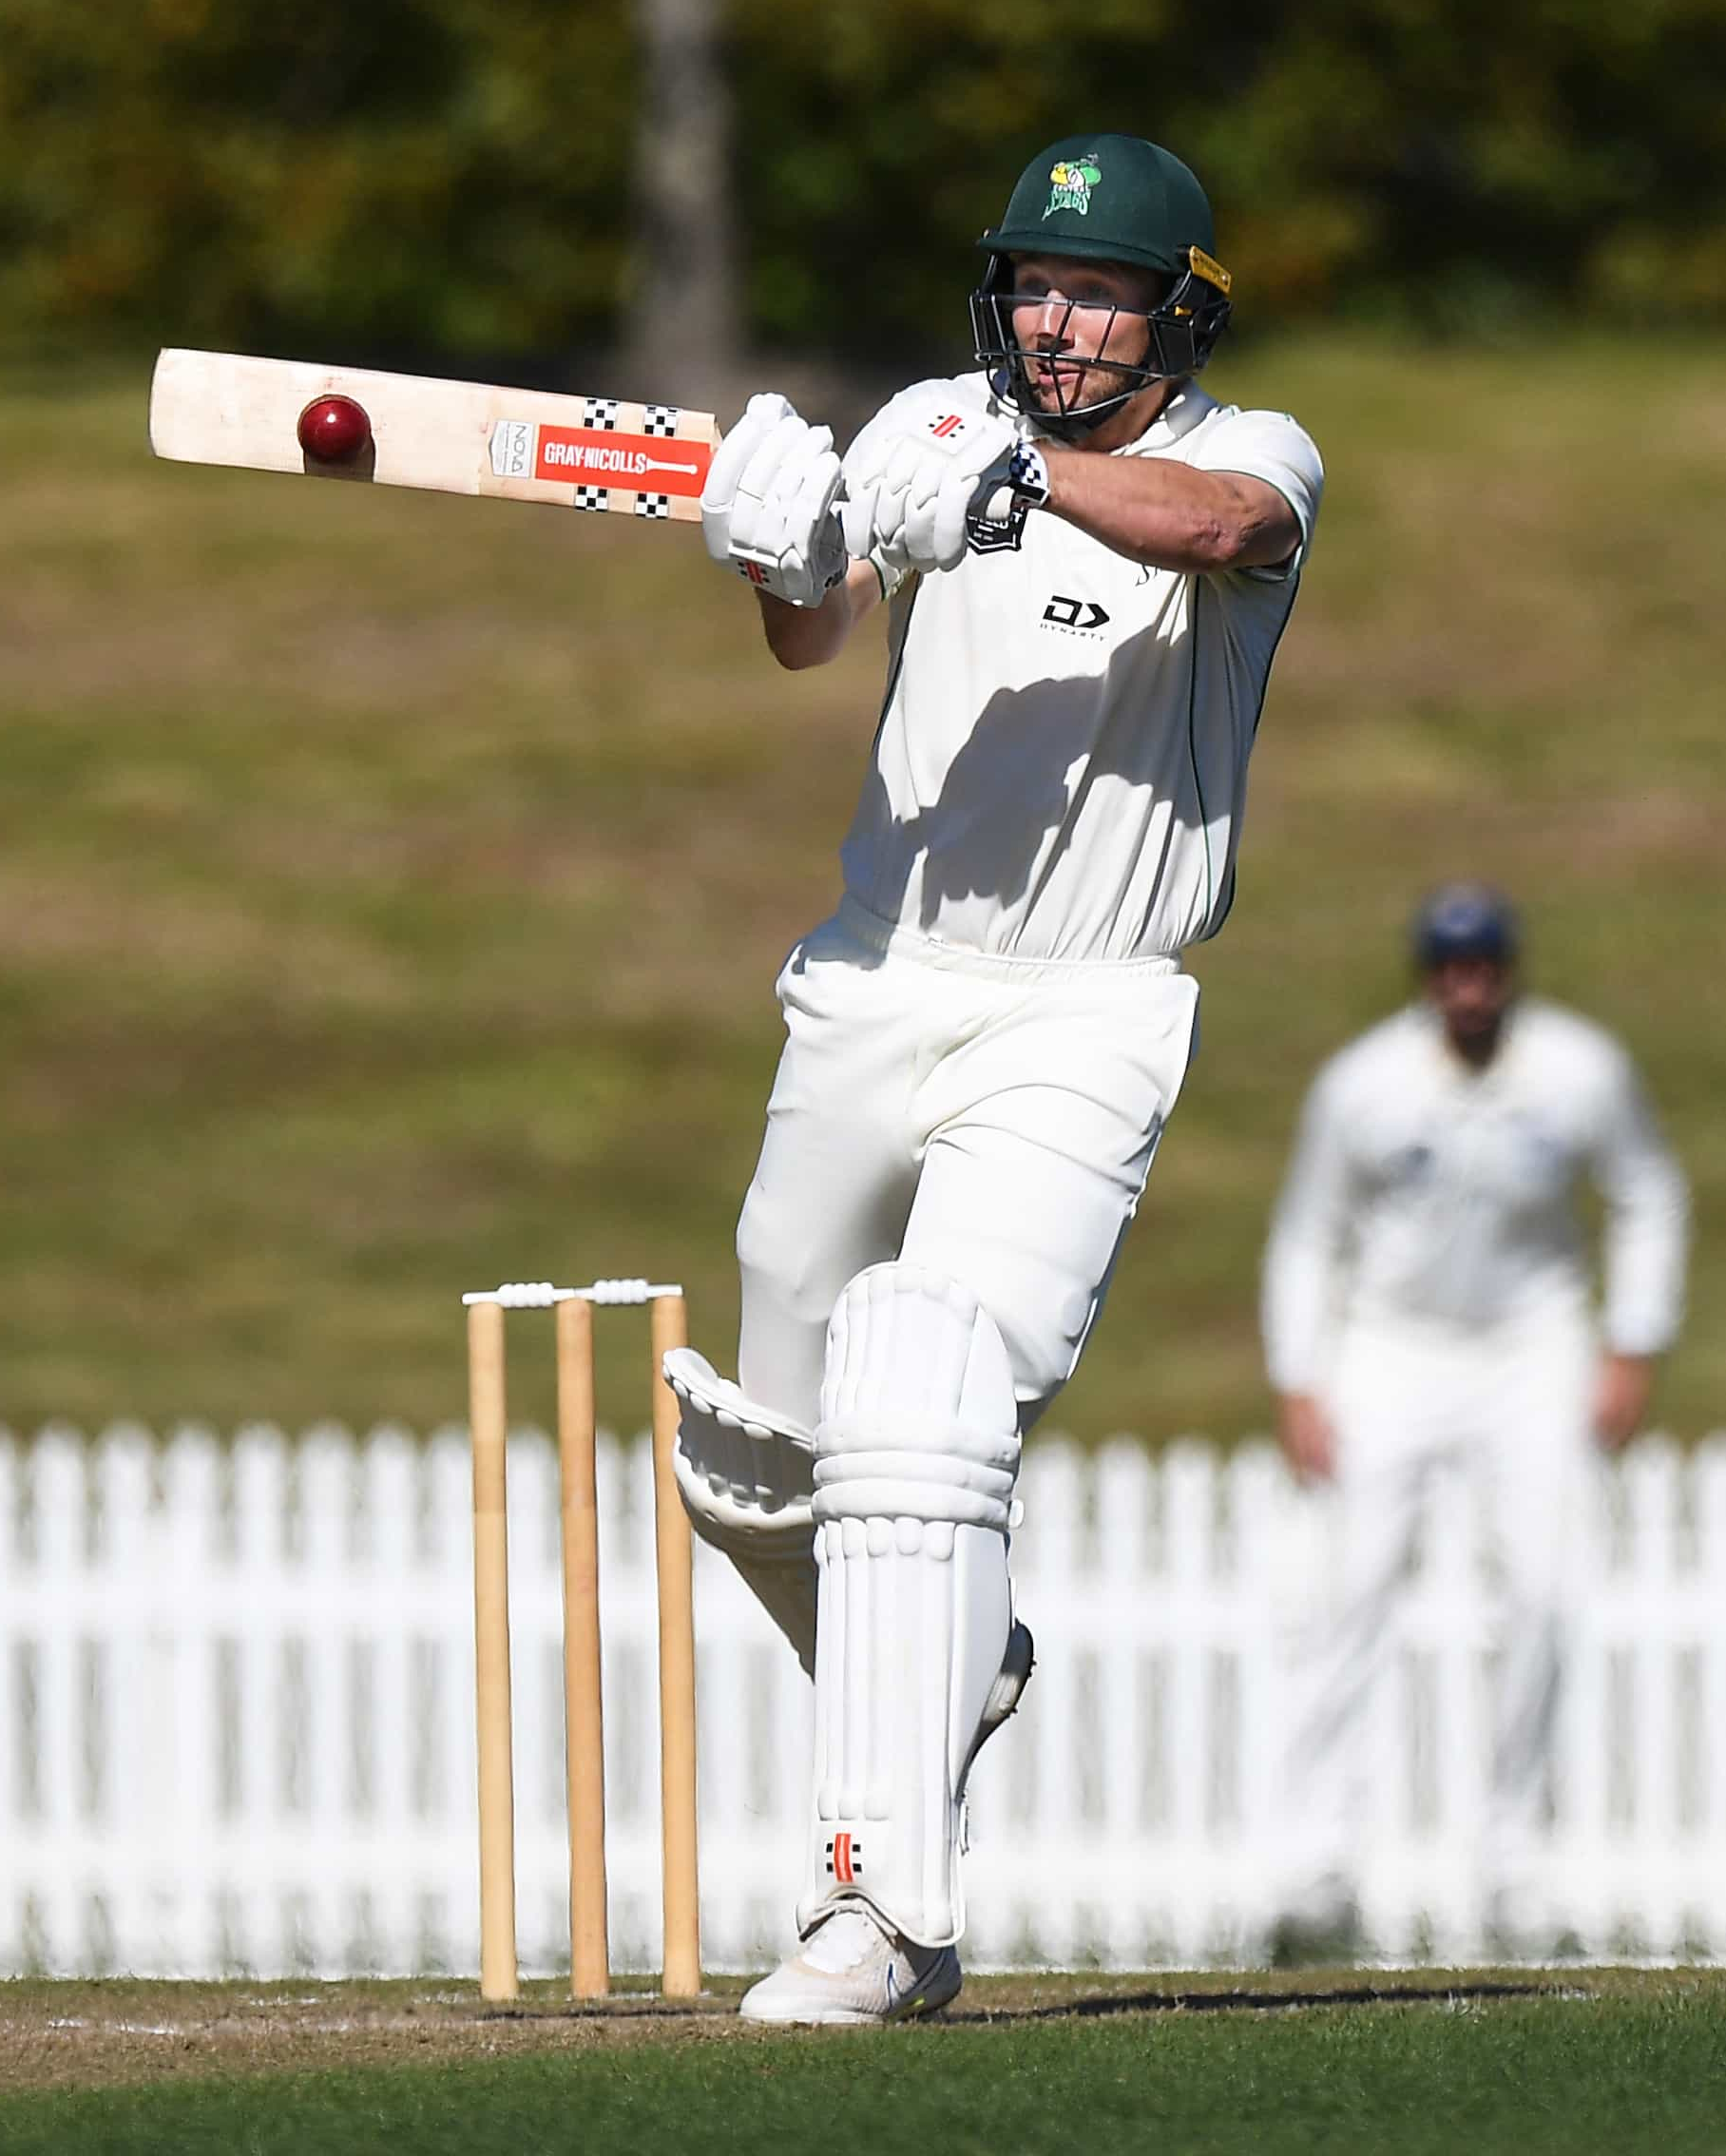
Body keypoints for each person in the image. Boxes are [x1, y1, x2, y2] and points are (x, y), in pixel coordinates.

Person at [663, 133, 1324, 2022]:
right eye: (1032, 285)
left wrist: (1025, 478)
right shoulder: (928, 420)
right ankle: (963, 1645)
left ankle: (880, 1915)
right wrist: (784, 552)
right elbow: (815, 633)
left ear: (1171, 310)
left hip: (1082, 1007)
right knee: (753, 1457)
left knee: (927, 1384)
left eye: (1094, 290)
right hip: (869, 979)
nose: (1051, 319)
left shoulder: (1252, 448)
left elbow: (1216, 533)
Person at [1260, 885, 1689, 1954]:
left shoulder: (1574, 1070)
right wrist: (1299, 1379)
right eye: (1448, 967)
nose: (1467, 985)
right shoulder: (1363, 1085)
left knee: (1543, 1590)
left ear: (1506, 969)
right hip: (1389, 1349)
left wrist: (1630, 1341)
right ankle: (1314, 1872)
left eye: (1483, 964)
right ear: (1424, 975)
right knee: (1349, 1593)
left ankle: (1512, 1870)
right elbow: (1306, 1235)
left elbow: (1647, 1193)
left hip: (1531, 1347)